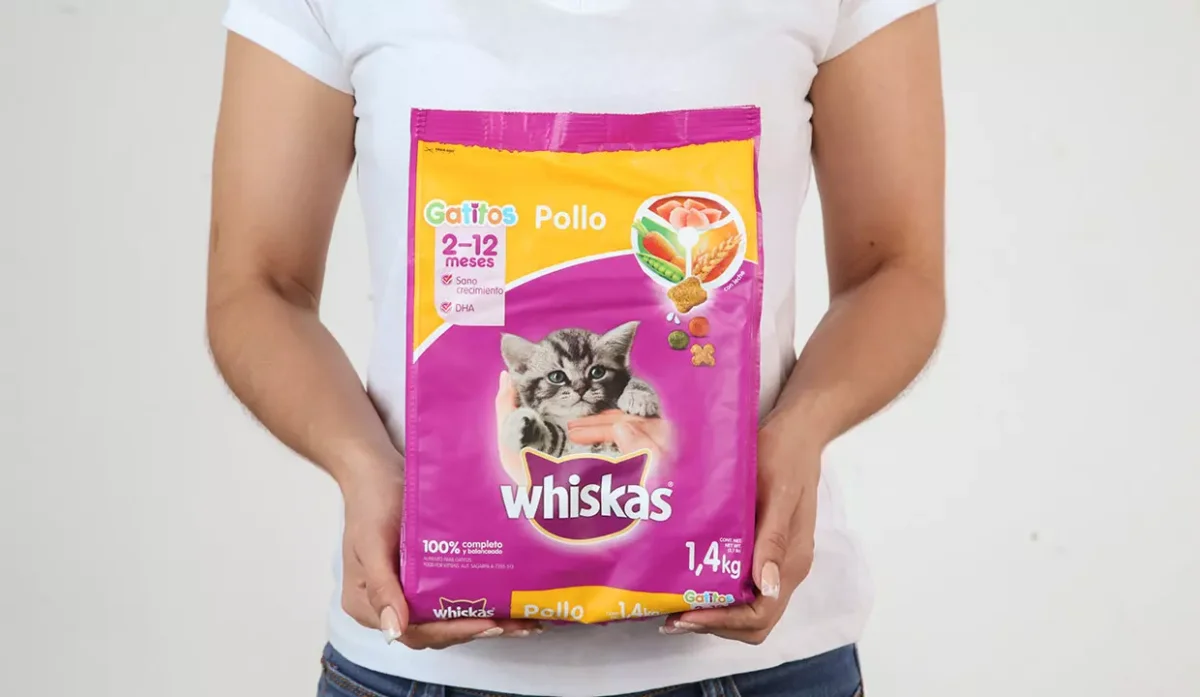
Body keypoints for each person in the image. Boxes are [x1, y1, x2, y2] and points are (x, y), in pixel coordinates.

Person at [206, 1, 945, 695]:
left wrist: (799, 431)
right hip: (413, 664)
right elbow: (257, 286)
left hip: (761, 661)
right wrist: (362, 465)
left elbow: (898, 270)